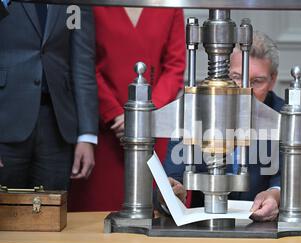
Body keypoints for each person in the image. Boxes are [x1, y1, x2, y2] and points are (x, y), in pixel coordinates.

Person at [68, 7, 186, 212]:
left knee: (154, 216)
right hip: (104, 131)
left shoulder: (170, 5)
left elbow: (175, 65)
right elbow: (84, 64)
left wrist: (145, 113)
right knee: (95, 220)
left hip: (152, 130)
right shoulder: (92, 4)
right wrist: (113, 113)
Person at [163, 31, 283, 222]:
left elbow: (286, 177)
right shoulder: (194, 108)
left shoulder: (282, 115)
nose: (246, 90)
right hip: (201, 225)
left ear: (273, 80)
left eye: (257, 81)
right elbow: (173, 173)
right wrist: (172, 189)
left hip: (259, 227)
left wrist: (274, 194)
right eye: (236, 77)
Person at [0, 2, 98, 190]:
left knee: (50, 214)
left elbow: (82, 62)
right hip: (5, 119)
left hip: (57, 126)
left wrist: (87, 135)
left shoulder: (74, 5)